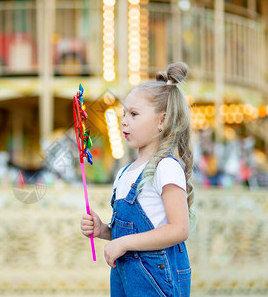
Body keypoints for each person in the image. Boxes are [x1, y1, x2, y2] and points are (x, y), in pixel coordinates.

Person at [81, 62, 195, 296]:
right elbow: (126, 232)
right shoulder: (124, 173)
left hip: (156, 280)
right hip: (126, 280)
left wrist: (123, 244)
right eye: (124, 113)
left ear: (162, 121)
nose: (124, 120)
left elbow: (179, 229)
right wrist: (102, 230)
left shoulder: (166, 168)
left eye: (134, 114)